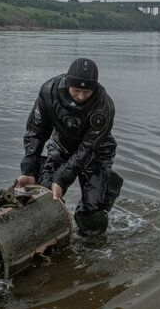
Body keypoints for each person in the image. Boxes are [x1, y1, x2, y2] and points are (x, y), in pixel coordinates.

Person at [16, 58, 123, 237]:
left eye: (86, 92)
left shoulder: (104, 106)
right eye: (77, 91)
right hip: (61, 145)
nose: (81, 97)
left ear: (94, 88)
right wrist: (29, 169)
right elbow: (35, 132)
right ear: (68, 83)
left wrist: (63, 178)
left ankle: (92, 248)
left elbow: (87, 149)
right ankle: (51, 240)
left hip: (96, 152)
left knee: (92, 215)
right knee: (45, 195)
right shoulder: (48, 92)